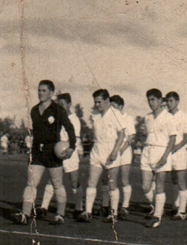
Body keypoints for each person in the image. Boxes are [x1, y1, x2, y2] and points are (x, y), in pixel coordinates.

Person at [12, 80, 76, 225]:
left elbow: (70, 129)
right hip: (37, 151)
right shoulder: (34, 110)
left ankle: (60, 214)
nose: (41, 93)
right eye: (39, 90)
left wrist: (71, 147)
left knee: (57, 184)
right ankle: (25, 214)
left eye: (44, 90)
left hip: (53, 151)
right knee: (31, 183)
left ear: (51, 93)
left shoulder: (58, 109)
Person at [78, 90, 126, 223]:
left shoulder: (116, 114)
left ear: (107, 101)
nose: (97, 104)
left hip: (111, 150)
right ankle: (87, 212)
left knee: (112, 185)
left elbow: (122, 135)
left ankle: (114, 214)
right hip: (97, 149)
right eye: (95, 102)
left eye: (99, 102)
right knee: (91, 182)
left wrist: (115, 151)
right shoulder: (94, 115)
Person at [36, 93, 83, 219]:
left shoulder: (74, 119)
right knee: (52, 179)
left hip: (69, 153)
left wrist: (69, 151)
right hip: (56, 153)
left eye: (62, 104)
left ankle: (79, 208)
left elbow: (76, 138)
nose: (60, 107)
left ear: (69, 104)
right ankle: (43, 207)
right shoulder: (56, 117)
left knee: (74, 181)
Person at [140, 89, 177, 228]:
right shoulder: (148, 117)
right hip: (147, 151)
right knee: (145, 187)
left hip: (162, 152)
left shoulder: (169, 117)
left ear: (161, 101)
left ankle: (157, 216)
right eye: (149, 100)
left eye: (153, 100)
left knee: (160, 185)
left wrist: (165, 156)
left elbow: (172, 139)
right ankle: (157, 207)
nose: (151, 103)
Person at [165, 92, 187, 221]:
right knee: (173, 180)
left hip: (180, 152)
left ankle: (182, 212)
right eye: (167, 101)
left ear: (177, 102)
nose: (168, 104)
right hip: (168, 152)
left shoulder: (184, 116)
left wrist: (176, 147)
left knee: (181, 181)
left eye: (171, 101)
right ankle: (176, 205)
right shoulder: (164, 116)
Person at [110, 95, 136, 218]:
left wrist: (120, 150)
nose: (112, 109)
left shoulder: (127, 118)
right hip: (113, 151)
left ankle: (125, 206)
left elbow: (130, 137)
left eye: (114, 107)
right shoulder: (110, 117)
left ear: (120, 107)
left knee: (124, 180)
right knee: (111, 180)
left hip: (124, 152)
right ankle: (111, 207)